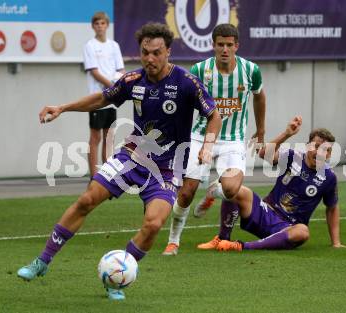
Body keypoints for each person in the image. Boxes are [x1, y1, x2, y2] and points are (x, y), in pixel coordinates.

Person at [17, 23, 222, 301]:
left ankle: (118, 275)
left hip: (166, 169)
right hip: (132, 156)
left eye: (156, 53)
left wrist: (208, 145)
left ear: (168, 52)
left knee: (153, 224)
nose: (149, 58)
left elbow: (214, 115)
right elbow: (102, 98)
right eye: (145, 52)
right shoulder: (133, 80)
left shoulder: (186, 82)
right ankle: (41, 262)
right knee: (88, 199)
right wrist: (63, 108)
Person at [162, 23, 266, 255]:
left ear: (237, 46)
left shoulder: (251, 70)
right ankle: (173, 240)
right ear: (213, 45)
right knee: (187, 192)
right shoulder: (200, 70)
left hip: (233, 139)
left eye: (230, 45)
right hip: (200, 136)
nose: (225, 49)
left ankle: (213, 192)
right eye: (221, 45)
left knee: (230, 190)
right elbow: (185, 103)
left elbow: (259, 97)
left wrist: (261, 131)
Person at [211, 116, 346, 252]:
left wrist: (336, 243)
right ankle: (223, 239)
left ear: (329, 154)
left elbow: (332, 208)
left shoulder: (329, 177)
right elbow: (264, 154)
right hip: (264, 212)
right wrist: (286, 134)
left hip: (288, 228)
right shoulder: (292, 156)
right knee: (235, 190)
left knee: (303, 232)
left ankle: (242, 246)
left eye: (325, 149)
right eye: (316, 146)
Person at [83, 12, 125, 177]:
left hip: (111, 99)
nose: (100, 26)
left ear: (107, 25)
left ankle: (106, 174)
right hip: (97, 97)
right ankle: (94, 176)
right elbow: (94, 72)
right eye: (97, 24)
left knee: (109, 137)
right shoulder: (90, 45)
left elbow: (120, 70)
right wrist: (112, 87)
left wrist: (117, 85)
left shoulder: (114, 46)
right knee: (95, 137)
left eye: (102, 23)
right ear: (93, 26)